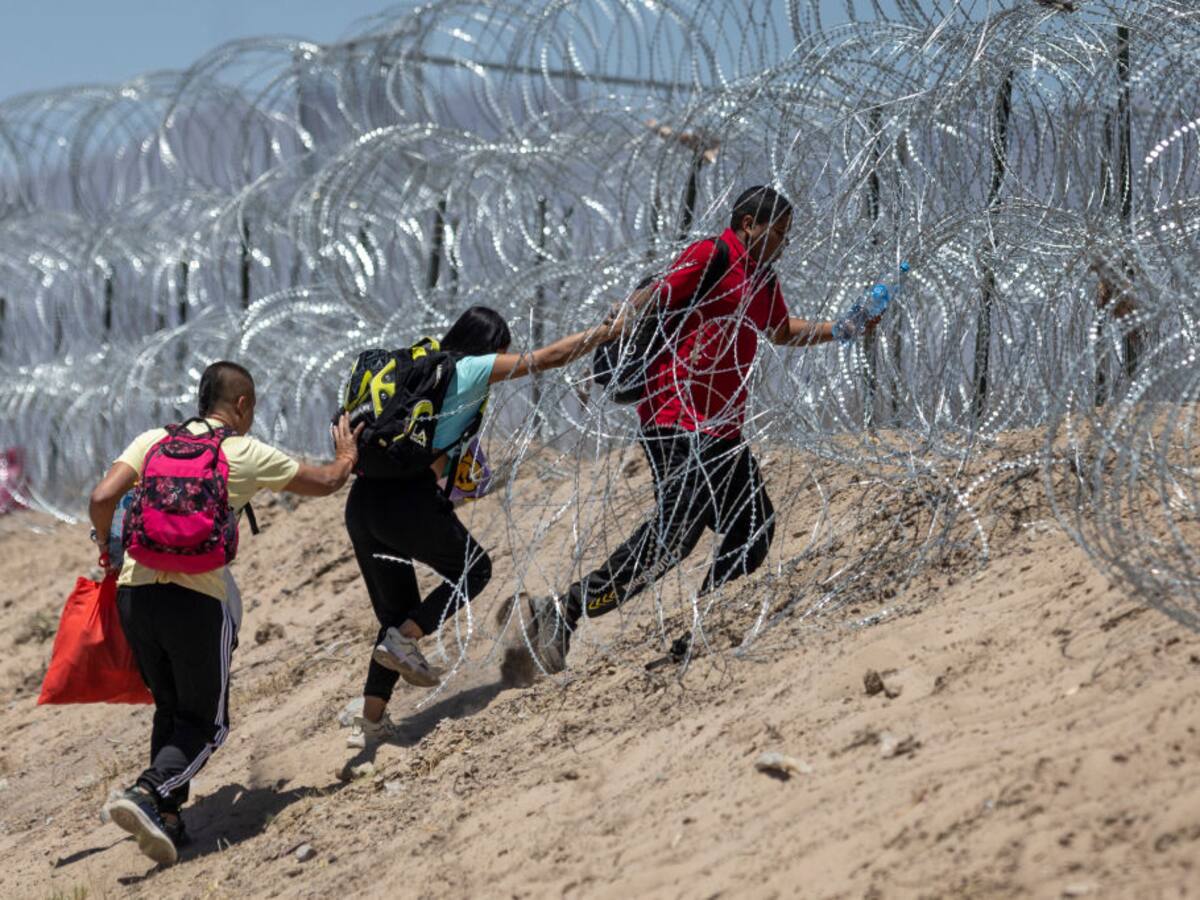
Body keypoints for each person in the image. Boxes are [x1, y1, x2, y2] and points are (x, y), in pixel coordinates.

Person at [506, 185, 883, 677]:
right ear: (748, 223)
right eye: (778, 232)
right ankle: (565, 610)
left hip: (722, 428)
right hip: (675, 418)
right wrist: (607, 335)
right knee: (677, 531)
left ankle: (704, 627)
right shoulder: (714, 254)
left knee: (754, 527)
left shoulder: (762, 277)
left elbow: (783, 331)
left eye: (789, 235)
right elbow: (655, 293)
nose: (784, 243)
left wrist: (843, 328)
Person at [88, 361, 360, 867]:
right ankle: (146, 792)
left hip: (136, 595)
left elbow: (103, 496)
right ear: (241, 405)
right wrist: (345, 454)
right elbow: (326, 482)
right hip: (197, 600)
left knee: (171, 707)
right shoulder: (242, 451)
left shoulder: (152, 442)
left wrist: (108, 548)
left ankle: (166, 816)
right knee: (208, 724)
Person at [345, 305, 620, 749]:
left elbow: (430, 458)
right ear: (493, 347)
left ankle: (371, 722)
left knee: (398, 618)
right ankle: (406, 640)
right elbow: (546, 359)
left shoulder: (420, 370)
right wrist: (609, 331)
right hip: (403, 501)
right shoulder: (468, 368)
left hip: (362, 504)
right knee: (475, 570)